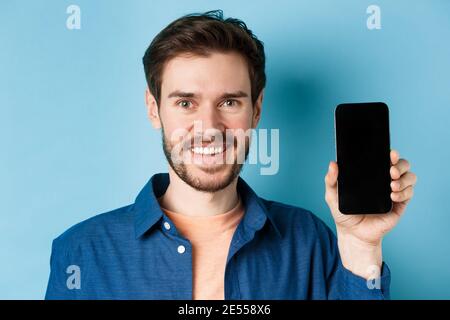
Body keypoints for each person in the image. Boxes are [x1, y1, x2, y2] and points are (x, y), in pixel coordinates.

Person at [45, 10, 417, 300]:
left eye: (229, 101)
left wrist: (362, 245)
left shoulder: (309, 241)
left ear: (256, 109)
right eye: (186, 102)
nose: (209, 126)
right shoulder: (81, 252)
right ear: (153, 108)